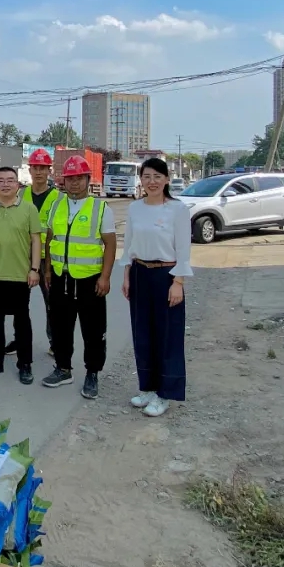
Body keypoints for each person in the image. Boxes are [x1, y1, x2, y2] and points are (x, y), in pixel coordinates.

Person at [120, 157, 193, 418]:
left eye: (157, 176)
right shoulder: (135, 208)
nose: (151, 182)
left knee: (167, 336)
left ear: (166, 180)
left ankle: (165, 394)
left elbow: (184, 249)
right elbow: (129, 244)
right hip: (140, 273)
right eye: (147, 176)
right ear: (141, 180)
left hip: (167, 275)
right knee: (143, 334)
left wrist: (179, 282)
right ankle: (148, 388)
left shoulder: (177, 209)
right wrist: (127, 274)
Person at [42, 155, 117, 399]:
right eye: (70, 179)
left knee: (93, 331)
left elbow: (110, 244)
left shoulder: (100, 208)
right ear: (64, 181)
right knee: (60, 327)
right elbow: (50, 239)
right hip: (60, 277)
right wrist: (47, 269)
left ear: (87, 179)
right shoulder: (56, 206)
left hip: (89, 281)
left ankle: (92, 373)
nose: (74, 183)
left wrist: (105, 277)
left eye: (79, 178)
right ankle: (63, 368)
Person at [0, 166, 43, 384]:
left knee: (22, 321)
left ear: (17, 184)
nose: (5, 184)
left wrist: (34, 269)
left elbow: (36, 240)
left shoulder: (29, 209)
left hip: (20, 275)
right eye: (0, 180)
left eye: (10, 180)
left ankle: (25, 364)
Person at [6, 148, 60, 359]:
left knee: (52, 304)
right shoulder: (21, 194)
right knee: (19, 303)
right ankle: (20, 340)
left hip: (48, 259)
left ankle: (55, 342)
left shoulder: (58, 198)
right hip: (23, 255)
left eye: (42, 168)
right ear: (30, 169)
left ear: (49, 170)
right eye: (35, 167)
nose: (38, 172)